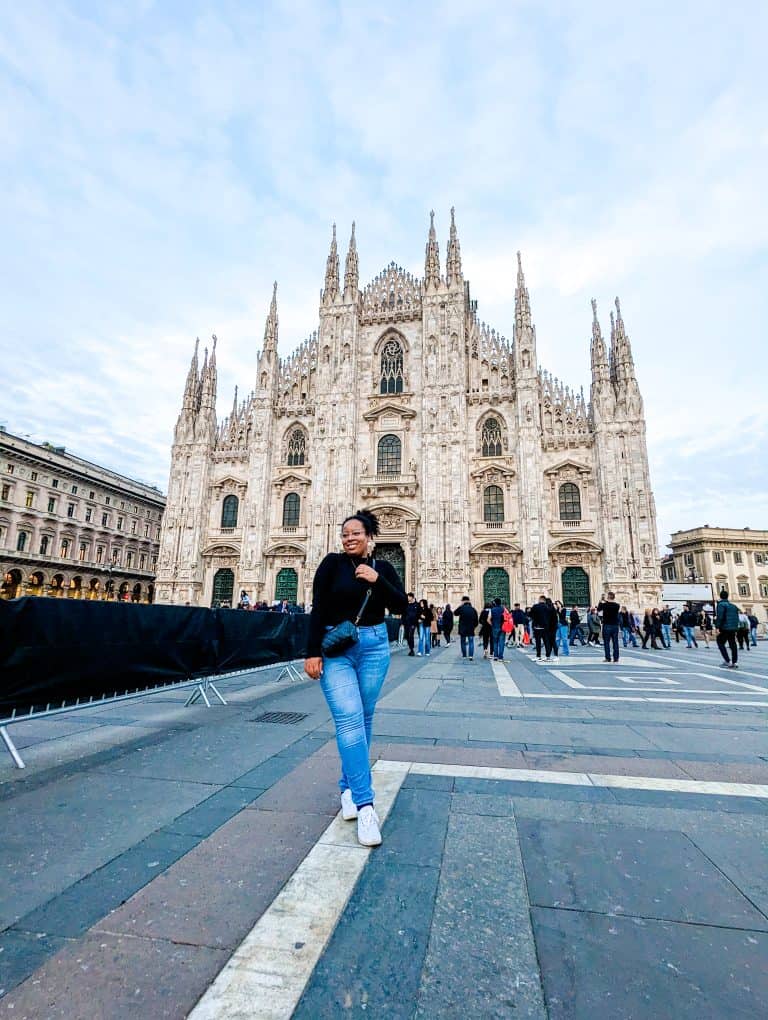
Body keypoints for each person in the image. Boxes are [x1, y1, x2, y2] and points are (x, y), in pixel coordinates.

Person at [304, 509, 407, 847]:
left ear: (369, 537)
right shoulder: (331, 565)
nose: (349, 537)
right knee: (349, 720)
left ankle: (347, 788)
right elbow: (317, 608)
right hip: (337, 649)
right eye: (345, 533)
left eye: (355, 533)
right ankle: (365, 805)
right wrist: (311, 651)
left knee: (363, 719)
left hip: (375, 646)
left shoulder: (383, 568)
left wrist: (378, 581)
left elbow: (403, 606)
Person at [715, 589, 739, 669]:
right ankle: (735, 662)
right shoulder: (734, 606)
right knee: (733, 644)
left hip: (725, 627)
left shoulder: (721, 605)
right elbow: (737, 617)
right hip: (733, 628)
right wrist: (735, 627)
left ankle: (727, 661)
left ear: (720, 597)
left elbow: (720, 617)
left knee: (720, 642)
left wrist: (717, 627)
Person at [529, 595, 556, 660]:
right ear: (544, 600)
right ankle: (548, 656)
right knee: (546, 642)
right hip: (545, 627)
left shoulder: (535, 606)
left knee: (538, 642)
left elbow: (530, 615)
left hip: (537, 627)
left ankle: (538, 656)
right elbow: (551, 618)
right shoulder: (548, 608)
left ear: (540, 599)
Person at [597, 592, 621, 663]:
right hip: (615, 625)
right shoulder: (617, 605)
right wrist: (606, 600)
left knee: (606, 642)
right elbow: (610, 604)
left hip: (607, 625)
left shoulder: (605, 605)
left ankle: (608, 658)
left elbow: (598, 609)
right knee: (615, 642)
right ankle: (616, 658)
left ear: (608, 597)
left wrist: (601, 600)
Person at [455, 595, 479, 660]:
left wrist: (460, 606)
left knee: (463, 642)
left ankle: (464, 655)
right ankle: (471, 656)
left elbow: (455, 613)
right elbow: (476, 621)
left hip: (463, 629)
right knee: (471, 642)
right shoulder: (473, 609)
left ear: (463, 601)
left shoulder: (461, 608)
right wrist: (473, 627)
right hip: (471, 628)